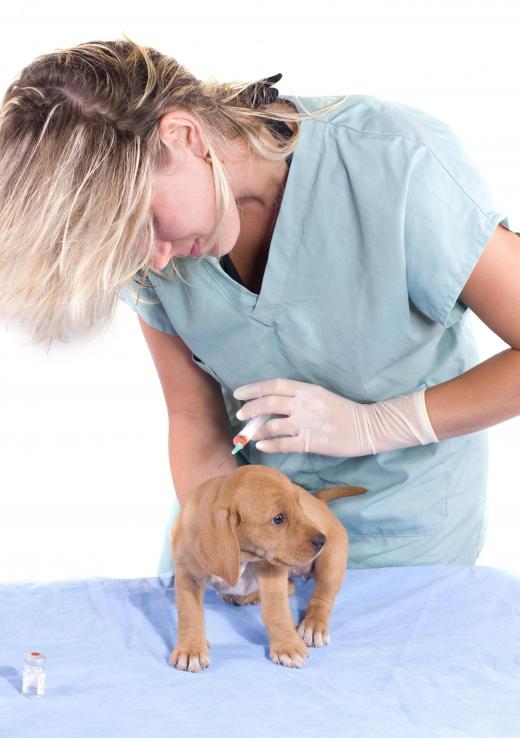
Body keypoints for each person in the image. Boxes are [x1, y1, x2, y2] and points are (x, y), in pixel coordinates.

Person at [1, 38, 519, 578]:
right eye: (123, 244)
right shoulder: (151, 248)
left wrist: (377, 425)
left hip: (400, 534)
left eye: (147, 223)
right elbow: (192, 416)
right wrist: (224, 548)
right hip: (240, 524)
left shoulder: (392, 163)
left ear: (183, 136)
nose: (152, 260)